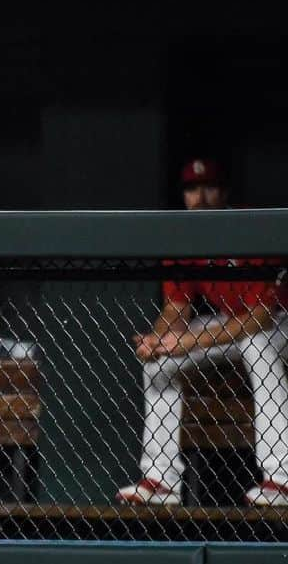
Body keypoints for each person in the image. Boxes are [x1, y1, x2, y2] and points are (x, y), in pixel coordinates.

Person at [117, 157, 288, 507]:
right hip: (232, 323)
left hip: (279, 322)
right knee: (158, 365)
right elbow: (176, 309)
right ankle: (160, 480)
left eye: (209, 187)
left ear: (224, 192)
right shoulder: (182, 237)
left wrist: (187, 341)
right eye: (192, 189)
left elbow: (258, 318)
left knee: (257, 345)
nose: (201, 197)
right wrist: (160, 340)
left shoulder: (250, 228)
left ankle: (281, 479)